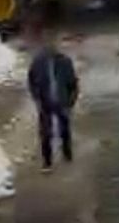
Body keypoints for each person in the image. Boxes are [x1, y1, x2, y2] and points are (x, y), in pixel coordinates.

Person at [27, 37, 79, 173]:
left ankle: (67, 153)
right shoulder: (38, 62)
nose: (50, 49)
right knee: (45, 133)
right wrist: (36, 97)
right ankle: (47, 161)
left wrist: (71, 101)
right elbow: (31, 80)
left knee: (64, 129)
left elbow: (73, 83)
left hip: (62, 101)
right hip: (45, 102)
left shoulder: (65, 62)